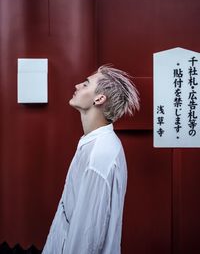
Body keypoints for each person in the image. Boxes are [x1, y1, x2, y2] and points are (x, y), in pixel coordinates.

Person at [42, 65, 140, 254]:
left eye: (86, 84)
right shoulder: (94, 143)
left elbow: (86, 238)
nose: (78, 85)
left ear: (99, 98)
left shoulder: (100, 153)